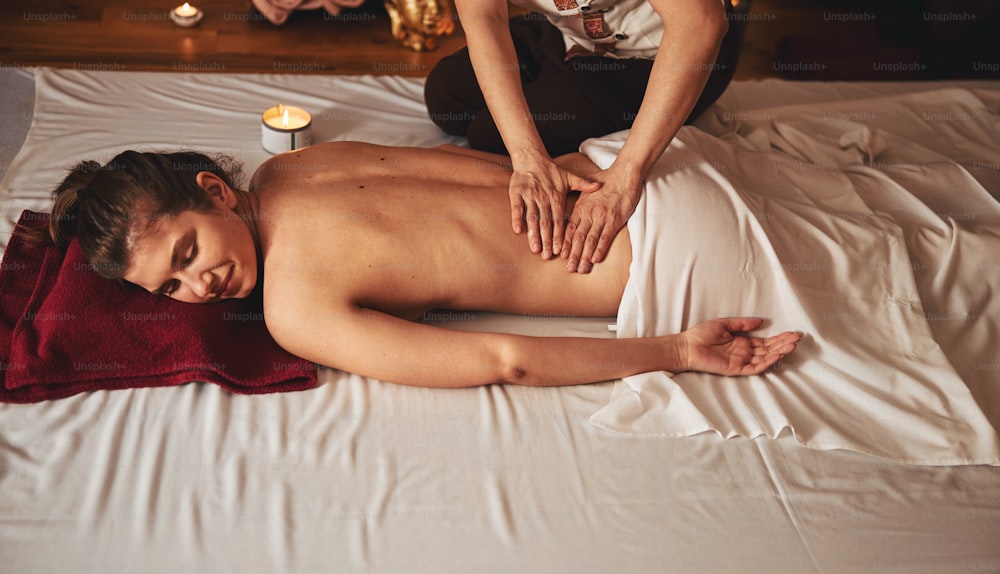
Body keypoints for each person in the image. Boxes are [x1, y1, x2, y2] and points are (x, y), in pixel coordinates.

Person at [31, 142, 800, 388]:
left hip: (662, 253)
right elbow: (469, 166)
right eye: (170, 288)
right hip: (633, 162)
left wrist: (672, 350)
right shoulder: (294, 167)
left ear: (214, 191)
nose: (199, 287)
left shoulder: (291, 310)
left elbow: (502, 360)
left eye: (188, 253)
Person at [424, 0, 748, 274]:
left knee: (489, 134)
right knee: (448, 98)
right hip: (577, 36)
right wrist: (528, 158)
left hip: (668, 50)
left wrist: (626, 174)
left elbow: (700, 22)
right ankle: (570, 75)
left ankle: (575, 85)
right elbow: (485, 17)